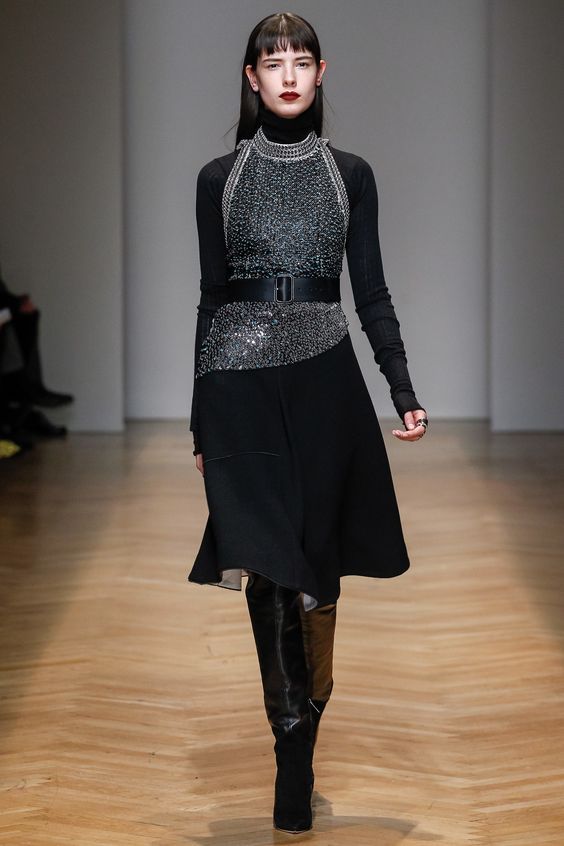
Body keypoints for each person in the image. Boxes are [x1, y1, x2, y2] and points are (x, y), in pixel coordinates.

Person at [187, 12, 428, 834]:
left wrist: (402, 387)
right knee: (267, 568)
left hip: (326, 381)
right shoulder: (218, 178)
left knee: (316, 570)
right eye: (272, 62)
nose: (286, 74)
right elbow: (212, 298)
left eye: (300, 61)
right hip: (239, 385)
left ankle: (308, 716)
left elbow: (373, 291)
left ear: (321, 74)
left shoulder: (349, 175)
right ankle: (291, 752)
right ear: (251, 78)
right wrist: (199, 418)